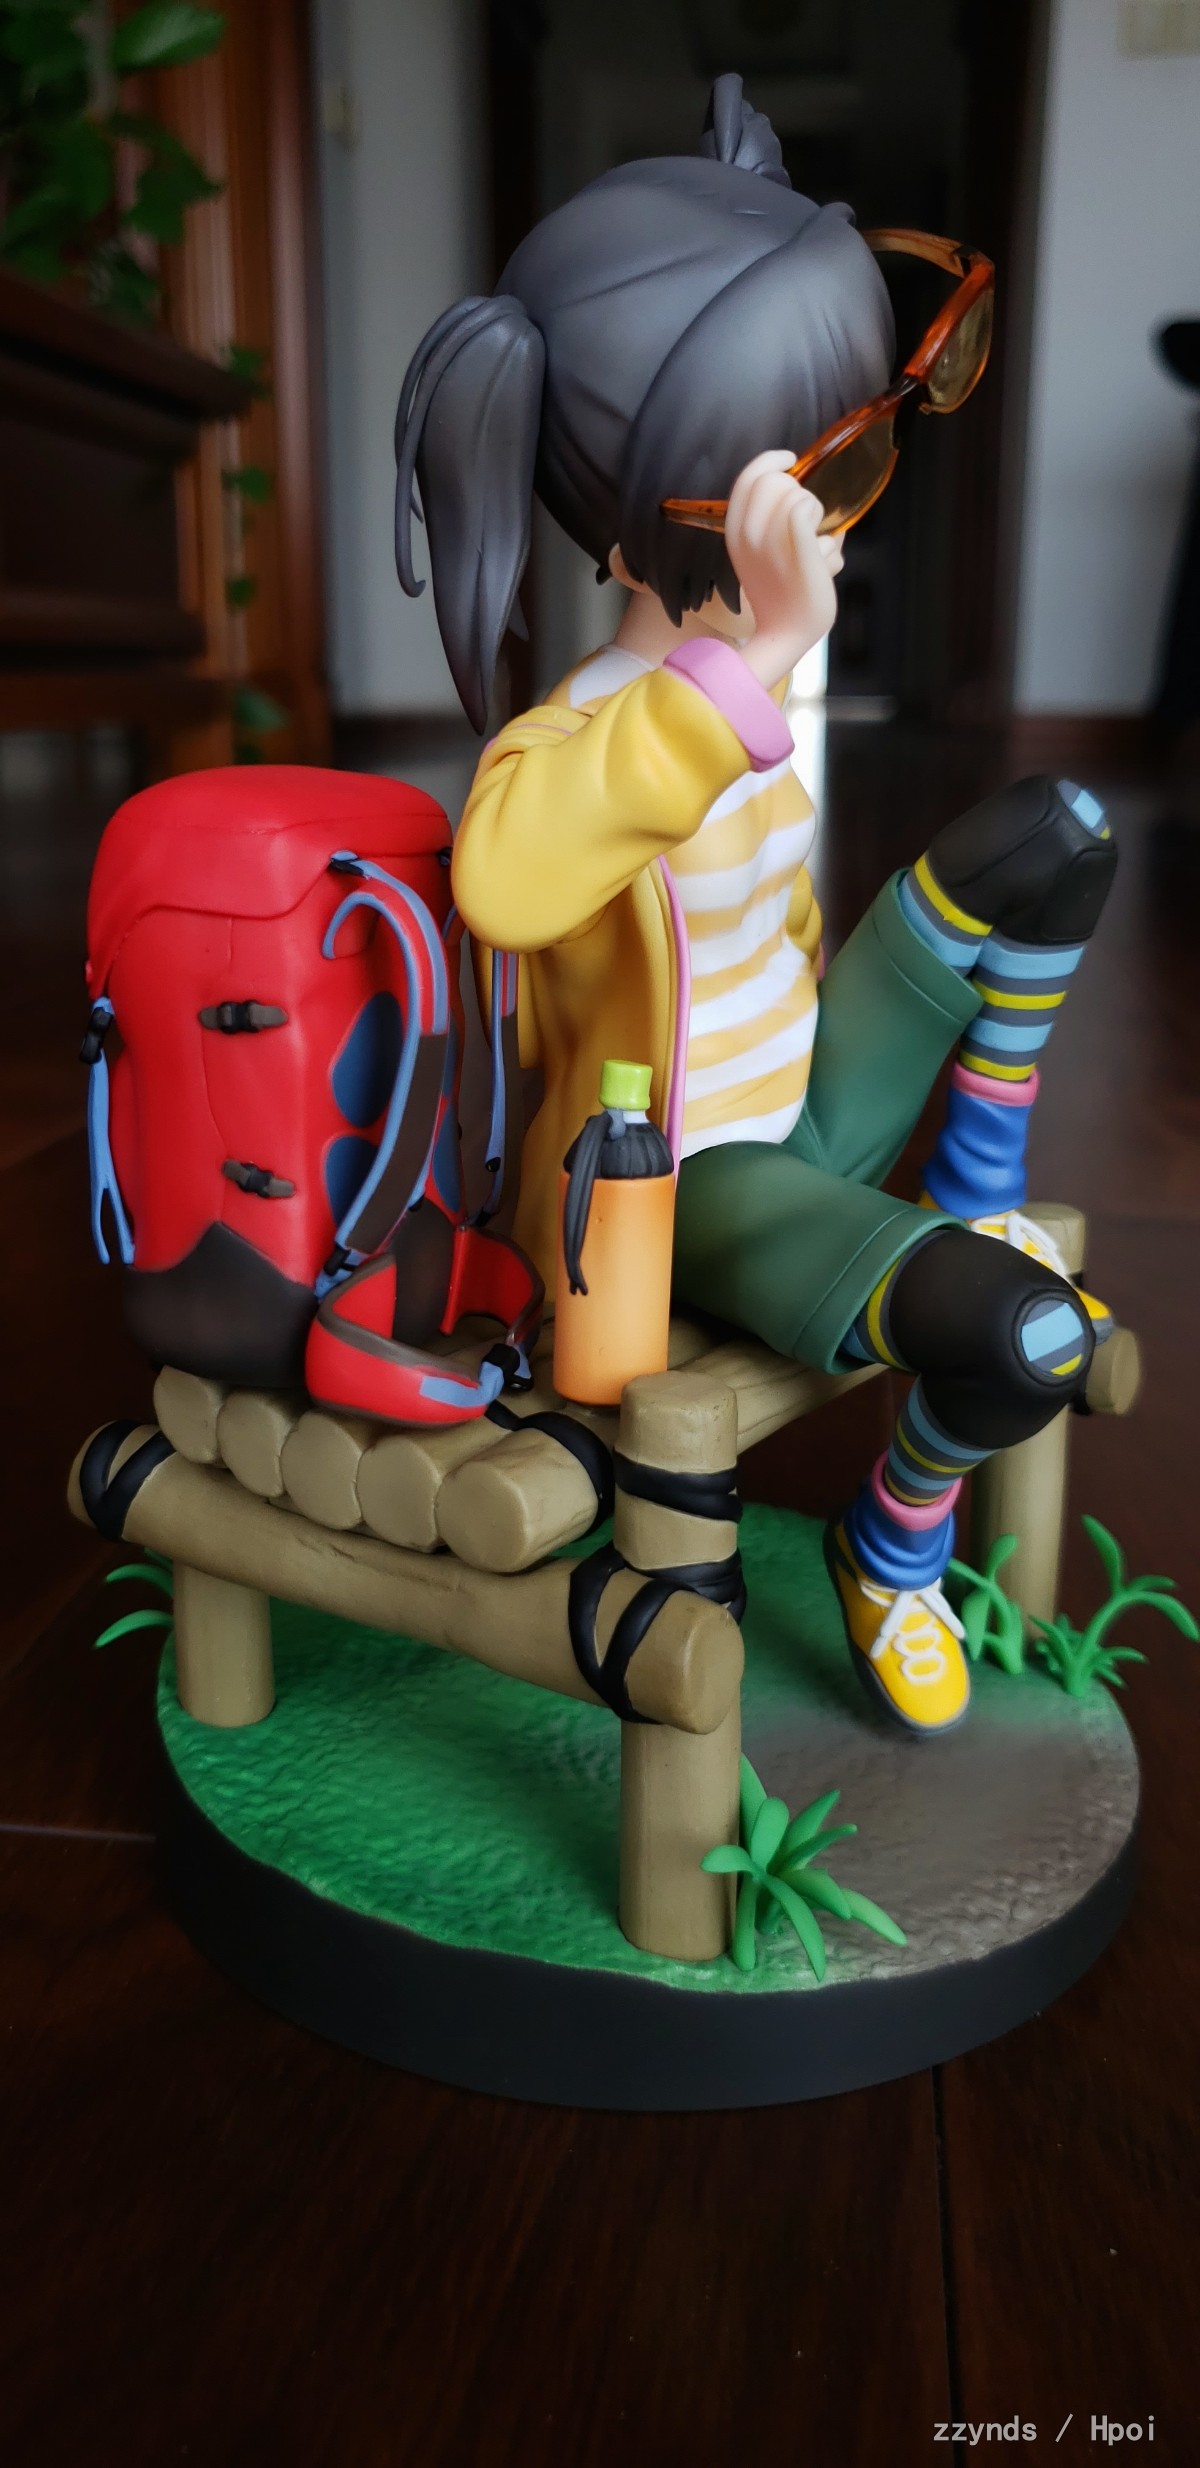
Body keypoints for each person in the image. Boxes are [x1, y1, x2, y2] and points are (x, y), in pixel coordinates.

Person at [394, 74, 1117, 1738]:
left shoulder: (751, 684)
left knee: (1060, 837)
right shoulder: (576, 738)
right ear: (648, 521)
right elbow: (503, 880)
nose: (851, 519)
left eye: (863, 450)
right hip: (701, 1177)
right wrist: (752, 663)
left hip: (818, 1082)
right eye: (826, 478)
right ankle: (894, 1543)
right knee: (1025, 1340)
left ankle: (977, 1184)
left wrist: (764, 662)